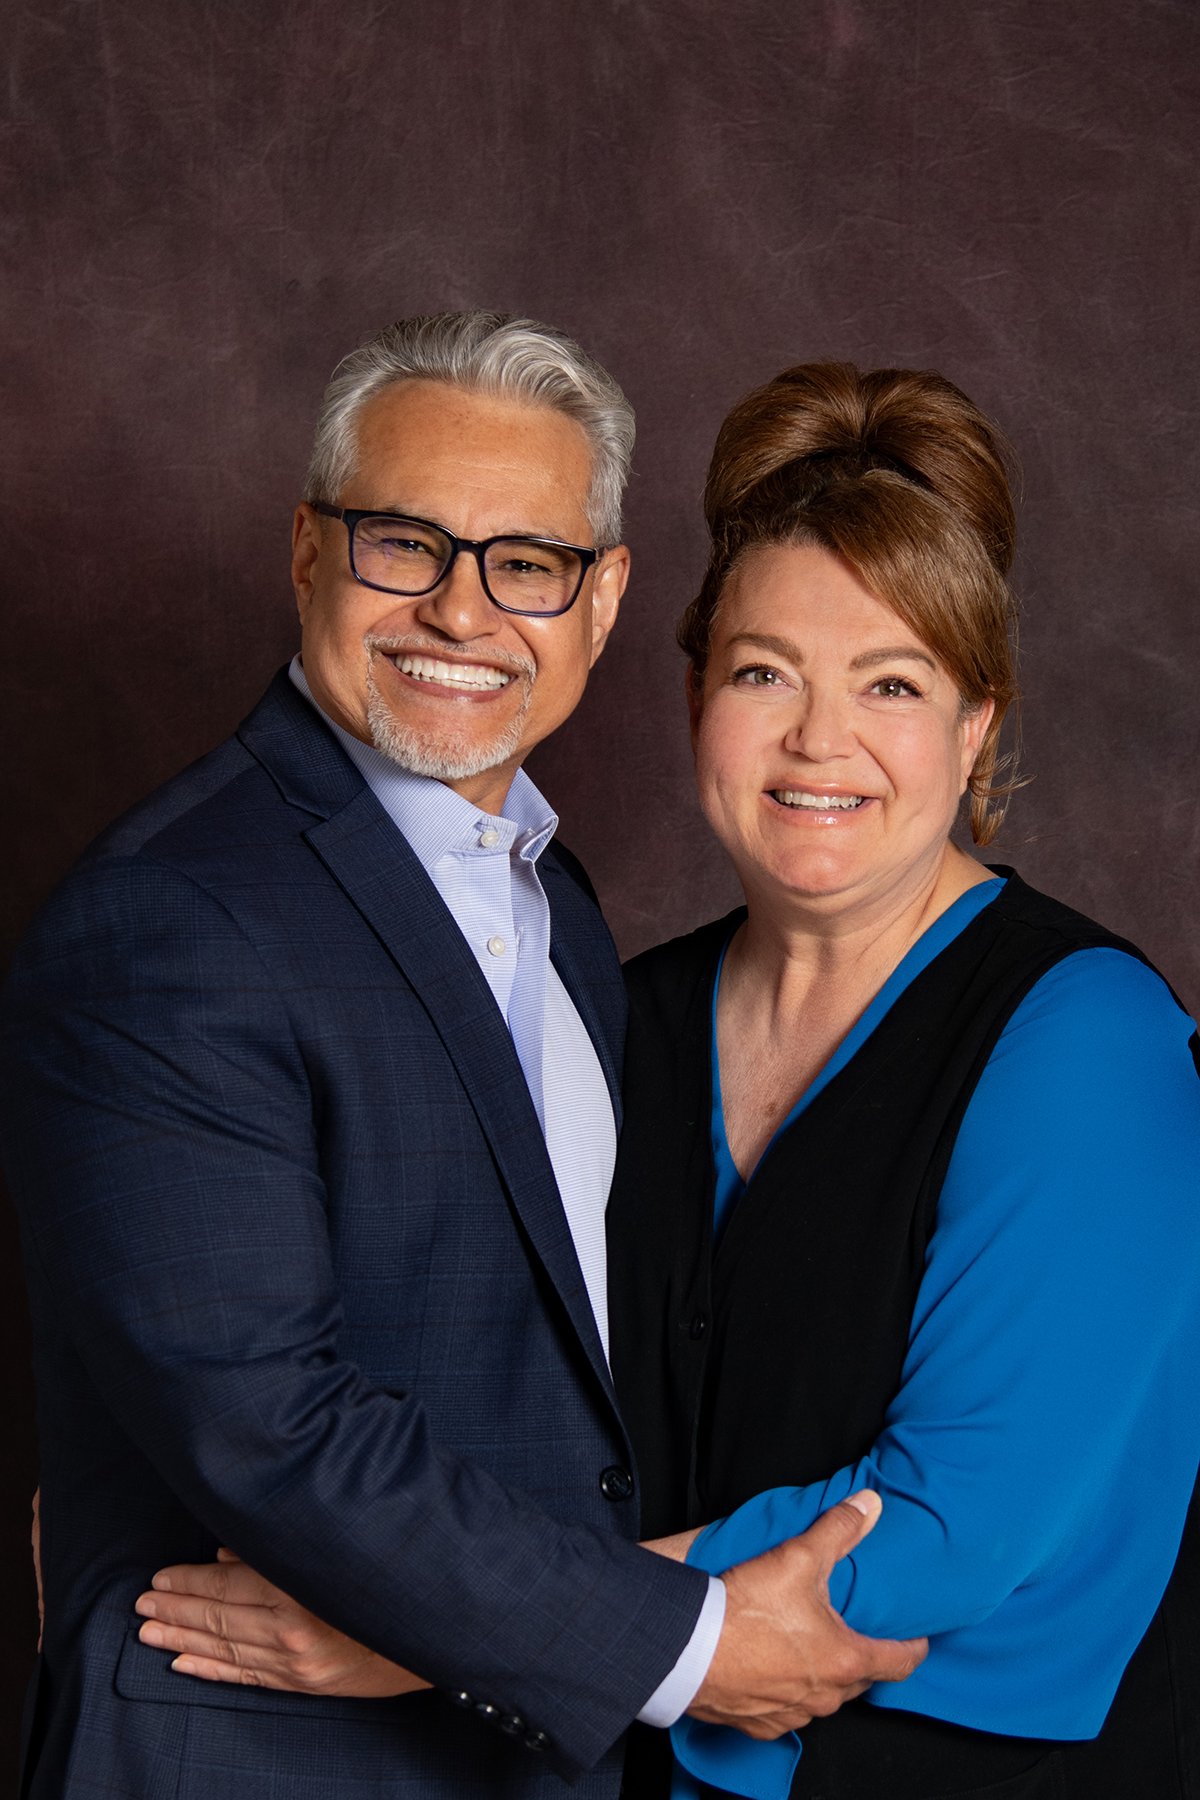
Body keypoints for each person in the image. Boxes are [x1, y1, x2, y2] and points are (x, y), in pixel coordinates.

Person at [0, 318, 923, 1800]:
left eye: (527, 562)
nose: (461, 609)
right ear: (308, 551)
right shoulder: (167, 920)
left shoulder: (553, 908)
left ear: (602, 600)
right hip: (253, 1760)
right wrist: (686, 1646)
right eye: (403, 543)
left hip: (517, 1754)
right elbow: (272, 1426)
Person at [605, 362, 1200, 1798]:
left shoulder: (1089, 1037)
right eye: (764, 672)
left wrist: (445, 1633)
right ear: (696, 693)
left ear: (976, 724)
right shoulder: (613, 1017)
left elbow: (948, 1531)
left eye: (892, 683)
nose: (821, 740)